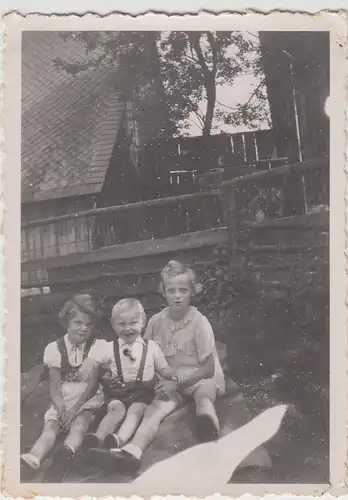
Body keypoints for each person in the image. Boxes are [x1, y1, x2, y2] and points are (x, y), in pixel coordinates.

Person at [92, 260, 226, 474]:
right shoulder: (156, 321)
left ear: (192, 291)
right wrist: (120, 373)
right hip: (167, 377)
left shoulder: (200, 323)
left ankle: (210, 435)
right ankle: (133, 451)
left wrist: (180, 383)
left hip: (199, 376)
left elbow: (208, 369)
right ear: (163, 292)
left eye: (183, 290)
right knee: (153, 411)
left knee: (204, 398)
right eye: (171, 290)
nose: (177, 296)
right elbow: (141, 353)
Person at [81, 298, 186, 458]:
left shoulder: (151, 347)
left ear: (143, 323)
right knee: (115, 409)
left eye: (133, 323)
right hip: (117, 393)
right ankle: (97, 439)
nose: (128, 329)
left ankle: (118, 439)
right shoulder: (109, 347)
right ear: (113, 325)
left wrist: (175, 375)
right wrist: (88, 364)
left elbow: (163, 368)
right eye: (121, 324)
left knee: (135, 410)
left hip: (142, 394)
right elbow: (94, 358)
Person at [20, 294, 105, 482]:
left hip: (86, 399)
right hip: (64, 398)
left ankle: (64, 456)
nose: (84, 328)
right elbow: (55, 384)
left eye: (89, 324)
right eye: (78, 322)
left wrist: (74, 410)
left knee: (79, 427)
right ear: (67, 322)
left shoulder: (97, 347)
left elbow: (91, 385)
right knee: (51, 427)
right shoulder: (55, 348)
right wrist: (61, 408)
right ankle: (34, 457)